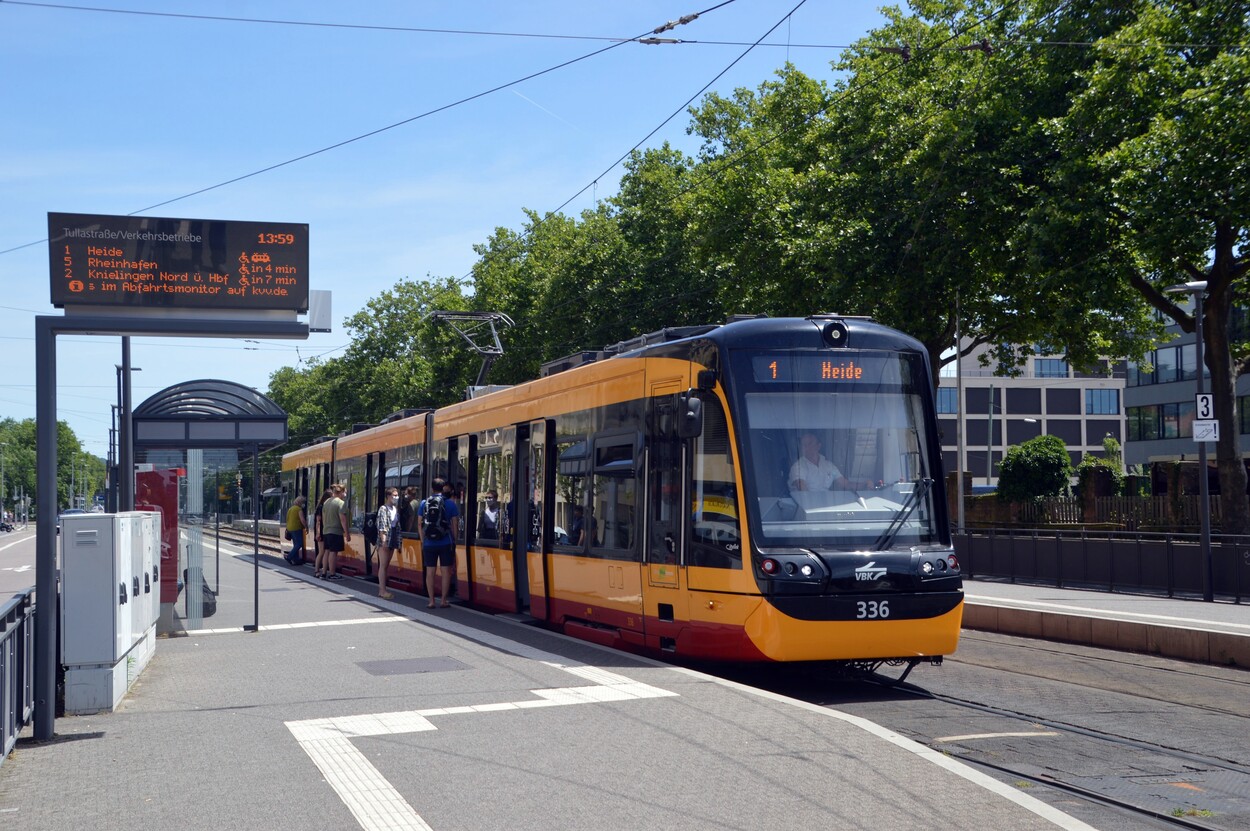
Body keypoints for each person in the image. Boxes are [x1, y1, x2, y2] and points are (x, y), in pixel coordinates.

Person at [419, 476, 460, 608]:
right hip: (445, 542)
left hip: (428, 543)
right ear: (443, 489)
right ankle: (443, 600)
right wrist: (454, 540)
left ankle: (431, 601)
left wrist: (423, 541)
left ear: (432, 489)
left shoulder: (424, 503)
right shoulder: (450, 504)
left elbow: (419, 524)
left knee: (430, 572)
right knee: (445, 572)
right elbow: (455, 524)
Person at [789, 432, 856, 494]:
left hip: (827, 501)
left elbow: (845, 484)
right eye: (804, 445)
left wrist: (862, 485)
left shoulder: (828, 466)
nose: (807, 447)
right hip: (806, 502)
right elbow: (802, 490)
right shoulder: (798, 467)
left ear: (818, 446)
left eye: (810, 444)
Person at [375, 487, 401, 600]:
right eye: (394, 495)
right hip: (386, 538)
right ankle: (382, 590)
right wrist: (384, 541)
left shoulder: (395, 508)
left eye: (397, 495)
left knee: (386, 565)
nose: (396, 497)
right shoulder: (383, 509)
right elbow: (382, 526)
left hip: (393, 537)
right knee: (383, 565)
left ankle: (383, 589)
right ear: (388, 496)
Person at [320, 483, 350, 580]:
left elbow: (323, 518)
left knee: (327, 551)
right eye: (345, 492)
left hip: (326, 531)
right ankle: (332, 574)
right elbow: (343, 519)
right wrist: (347, 533)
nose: (345, 494)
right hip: (335, 531)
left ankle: (323, 572)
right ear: (341, 492)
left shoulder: (326, 502)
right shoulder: (340, 503)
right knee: (333, 552)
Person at [312, 488, 332, 578]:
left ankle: (323, 570)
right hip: (321, 532)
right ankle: (316, 570)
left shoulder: (322, 506)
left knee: (324, 551)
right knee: (321, 552)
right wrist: (318, 533)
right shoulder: (321, 507)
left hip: (324, 531)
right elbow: (318, 522)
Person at [285, 495, 308, 565]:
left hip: (290, 529)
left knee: (295, 544)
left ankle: (296, 560)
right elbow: (302, 520)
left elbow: (287, 519)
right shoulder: (298, 509)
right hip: (296, 528)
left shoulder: (290, 509)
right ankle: (289, 556)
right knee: (299, 544)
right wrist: (306, 527)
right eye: (303, 502)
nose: (304, 504)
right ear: (300, 502)